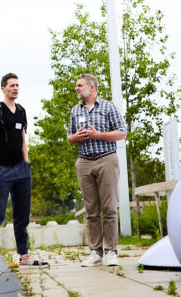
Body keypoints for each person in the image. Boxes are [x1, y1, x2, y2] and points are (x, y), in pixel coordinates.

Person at [0, 73, 47, 277]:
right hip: (2, 170)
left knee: (22, 216)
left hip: (21, 171)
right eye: (12, 85)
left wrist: (26, 163)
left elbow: (22, 139)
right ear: (3, 88)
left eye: (18, 85)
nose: (16, 88)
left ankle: (24, 256)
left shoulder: (21, 111)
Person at [67, 74, 126, 267]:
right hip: (84, 162)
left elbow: (122, 133)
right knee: (91, 211)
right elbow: (69, 137)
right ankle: (96, 252)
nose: (76, 88)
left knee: (109, 209)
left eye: (79, 85)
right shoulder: (75, 111)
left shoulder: (108, 107)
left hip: (106, 160)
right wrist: (76, 136)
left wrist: (97, 135)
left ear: (91, 87)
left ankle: (111, 251)